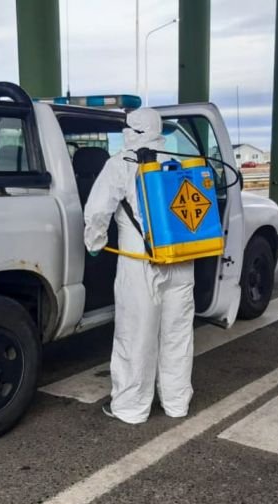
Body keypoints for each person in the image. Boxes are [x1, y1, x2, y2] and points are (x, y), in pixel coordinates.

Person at [83, 108, 195, 425]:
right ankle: (176, 403)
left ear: (131, 131)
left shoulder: (121, 163)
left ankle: (131, 408)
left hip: (139, 260)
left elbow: (97, 211)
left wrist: (95, 243)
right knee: (177, 335)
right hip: (181, 259)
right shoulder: (178, 161)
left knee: (136, 334)